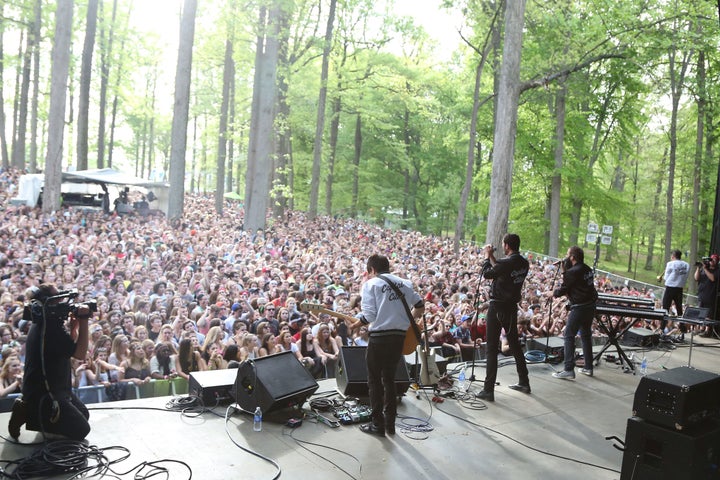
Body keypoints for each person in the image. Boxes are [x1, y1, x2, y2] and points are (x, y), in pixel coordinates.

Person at [347, 254, 424, 436]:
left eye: (369, 272)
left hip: (379, 337)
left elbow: (369, 316)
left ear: (372, 270)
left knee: (374, 380)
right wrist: (406, 320)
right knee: (389, 379)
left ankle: (377, 424)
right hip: (398, 337)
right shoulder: (405, 283)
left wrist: (356, 324)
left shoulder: (371, 284)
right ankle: (390, 424)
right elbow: (420, 305)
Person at [8, 284, 92, 441]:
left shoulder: (43, 322)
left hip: (57, 388)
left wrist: (74, 329)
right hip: (46, 395)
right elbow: (80, 354)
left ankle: (31, 412)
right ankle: (28, 411)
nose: (62, 300)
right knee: (81, 429)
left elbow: (65, 351)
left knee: (84, 415)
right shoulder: (50, 328)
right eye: (57, 298)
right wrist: (84, 319)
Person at [475, 234, 531, 402]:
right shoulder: (524, 263)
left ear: (506, 246)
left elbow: (487, 274)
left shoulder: (506, 263)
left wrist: (486, 257)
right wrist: (493, 256)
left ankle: (488, 390)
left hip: (498, 307)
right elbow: (502, 271)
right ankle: (524, 381)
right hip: (511, 308)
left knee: (491, 347)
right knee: (514, 343)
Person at [550, 246, 598, 380]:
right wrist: (564, 268)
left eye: (567, 254)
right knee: (586, 336)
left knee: (568, 336)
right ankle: (588, 367)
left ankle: (568, 369)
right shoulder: (587, 269)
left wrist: (553, 293)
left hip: (579, 308)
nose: (566, 256)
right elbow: (571, 280)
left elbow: (564, 287)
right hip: (590, 307)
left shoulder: (573, 272)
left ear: (572, 257)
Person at [658, 249, 690, 336]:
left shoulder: (670, 263)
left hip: (670, 287)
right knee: (679, 308)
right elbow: (686, 276)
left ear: (673, 256)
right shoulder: (687, 265)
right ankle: (682, 326)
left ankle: (662, 327)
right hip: (679, 288)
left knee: (665, 308)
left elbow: (665, 277)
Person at [695, 254, 718, 337]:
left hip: (710, 295)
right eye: (711, 259)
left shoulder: (717, 271)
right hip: (701, 294)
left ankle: (707, 331)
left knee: (708, 314)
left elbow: (712, 278)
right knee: (700, 312)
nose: (712, 261)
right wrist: (698, 268)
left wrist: (705, 269)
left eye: (714, 260)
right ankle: (700, 328)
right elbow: (696, 278)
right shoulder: (704, 269)